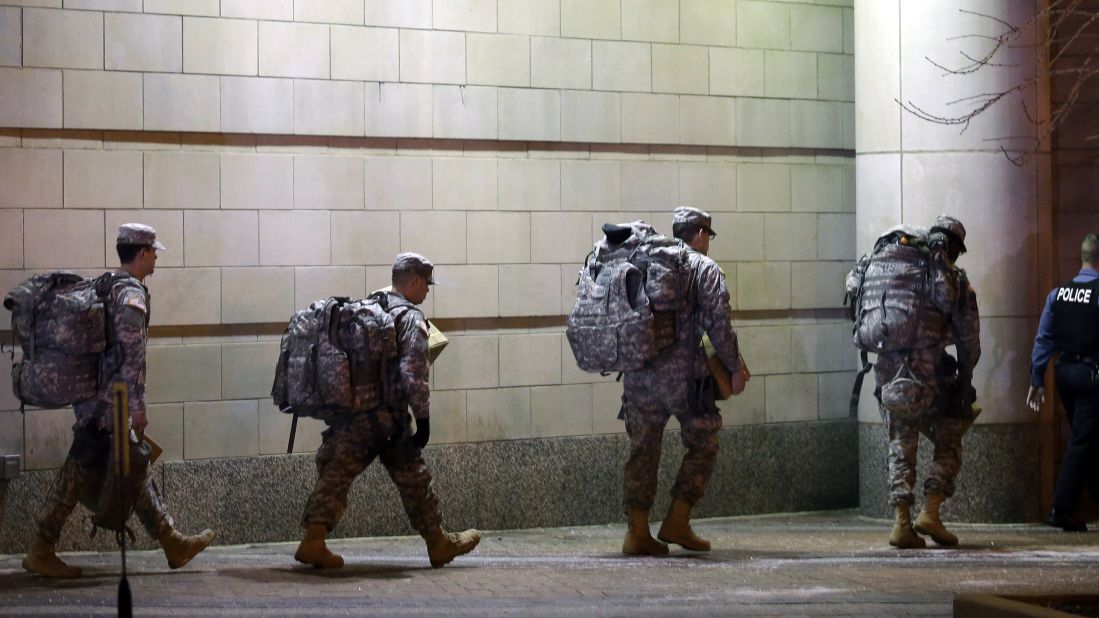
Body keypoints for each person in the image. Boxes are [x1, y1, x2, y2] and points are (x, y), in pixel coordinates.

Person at [23, 223, 215, 578]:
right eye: (153, 250)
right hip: (112, 401)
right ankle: (41, 547)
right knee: (82, 466)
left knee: (131, 465)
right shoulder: (131, 295)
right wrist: (137, 405)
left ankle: (171, 540)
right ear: (141, 254)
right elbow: (132, 351)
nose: (156, 256)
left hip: (93, 396)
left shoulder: (104, 285)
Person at [295, 252, 480, 568]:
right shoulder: (409, 317)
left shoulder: (370, 305)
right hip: (386, 418)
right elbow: (413, 371)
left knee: (337, 472)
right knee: (413, 476)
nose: (428, 291)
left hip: (354, 411)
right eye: (427, 285)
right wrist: (423, 419)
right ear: (415, 281)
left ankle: (313, 539)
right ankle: (437, 542)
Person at [619, 206, 742, 555]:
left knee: (643, 449)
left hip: (640, 374)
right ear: (701, 233)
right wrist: (734, 368)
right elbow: (720, 326)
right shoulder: (705, 269)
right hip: (687, 379)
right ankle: (677, 519)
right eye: (709, 236)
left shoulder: (643, 263)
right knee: (703, 444)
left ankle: (637, 532)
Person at [865, 215, 980, 549]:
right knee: (951, 435)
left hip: (889, 373)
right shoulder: (953, 278)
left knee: (901, 441)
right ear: (955, 248)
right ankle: (930, 511)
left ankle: (901, 523)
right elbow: (969, 339)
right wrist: (966, 374)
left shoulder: (894, 275)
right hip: (930, 375)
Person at [1027, 232, 1099, 532]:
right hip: (1091, 376)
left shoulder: (1058, 294)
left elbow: (1044, 338)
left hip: (1064, 375)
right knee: (1082, 440)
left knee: (1088, 437)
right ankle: (1060, 507)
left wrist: (1037, 378)